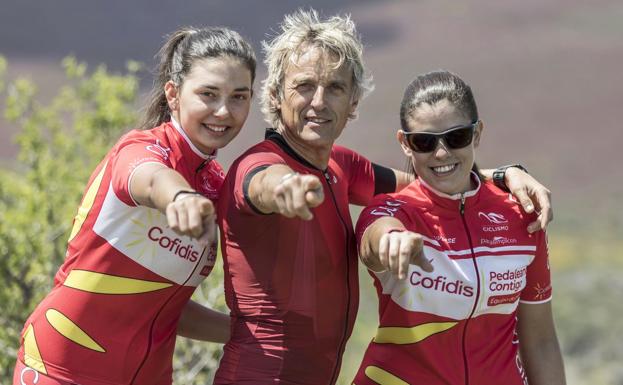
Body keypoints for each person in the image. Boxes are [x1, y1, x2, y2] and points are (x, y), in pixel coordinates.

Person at [214, 9, 553, 385]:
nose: (319, 101)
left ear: (353, 102)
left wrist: (505, 175)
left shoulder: (340, 166)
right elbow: (261, 184)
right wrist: (284, 189)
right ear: (276, 95)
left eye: (336, 88)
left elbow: (431, 177)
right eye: (304, 86)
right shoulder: (258, 164)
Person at [13, 26, 256, 385]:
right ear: (173, 95)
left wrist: (246, 332)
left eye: (239, 97)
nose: (223, 111)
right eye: (208, 94)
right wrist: (179, 197)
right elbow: (150, 177)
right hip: (61, 370)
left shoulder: (216, 185)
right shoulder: (142, 148)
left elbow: (166, 309)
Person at [353, 70, 565, 385]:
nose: (441, 153)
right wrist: (390, 241)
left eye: (456, 137)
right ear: (405, 144)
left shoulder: (521, 215)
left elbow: (541, 341)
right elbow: (374, 240)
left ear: (477, 134)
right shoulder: (394, 210)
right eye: (424, 141)